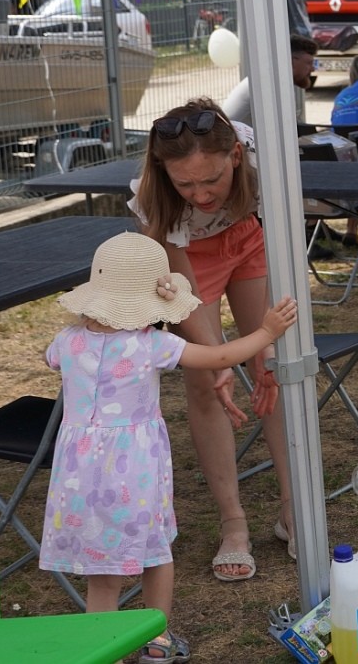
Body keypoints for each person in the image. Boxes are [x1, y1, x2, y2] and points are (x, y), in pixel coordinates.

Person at [42, 232, 297, 663]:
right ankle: (157, 643)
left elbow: (50, 358)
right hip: (133, 473)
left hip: (78, 478)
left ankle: (100, 649)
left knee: (103, 576)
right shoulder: (152, 345)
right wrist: (266, 332)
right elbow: (219, 357)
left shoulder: (68, 343)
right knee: (155, 552)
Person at [130, 99, 301, 584]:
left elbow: (284, 227)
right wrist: (218, 361)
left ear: (234, 159)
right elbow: (179, 286)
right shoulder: (153, 197)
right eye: (185, 184)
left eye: (211, 180)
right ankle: (234, 524)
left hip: (246, 240)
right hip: (188, 264)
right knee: (205, 382)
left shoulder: (259, 156)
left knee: (272, 367)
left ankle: (293, 509)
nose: (200, 194)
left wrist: (255, 353)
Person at [221, 34, 318, 126]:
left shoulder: (269, 78)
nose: (312, 69)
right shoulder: (270, 85)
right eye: (309, 63)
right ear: (291, 61)